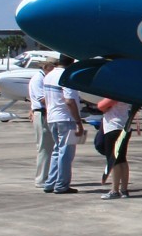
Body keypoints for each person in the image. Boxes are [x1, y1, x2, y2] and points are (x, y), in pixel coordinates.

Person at [41, 60, 86, 194]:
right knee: (66, 153)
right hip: (65, 118)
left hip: (52, 117)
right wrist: (78, 122)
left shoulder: (49, 75)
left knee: (57, 151)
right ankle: (61, 185)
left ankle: (50, 182)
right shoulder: (67, 76)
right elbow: (69, 101)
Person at [27, 57, 58, 188]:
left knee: (48, 146)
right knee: (44, 147)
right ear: (46, 67)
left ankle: (47, 176)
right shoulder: (38, 79)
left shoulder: (42, 78)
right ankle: (41, 178)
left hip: (44, 112)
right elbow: (42, 99)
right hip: (42, 113)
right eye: (53, 67)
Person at [97, 98, 135, 200]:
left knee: (114, 160)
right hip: (124, 126)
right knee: (122, 159)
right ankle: (124, 190)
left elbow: (101, 106)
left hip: (113, 127)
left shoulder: (113, 93)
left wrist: (104, 107)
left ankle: (115, 190)